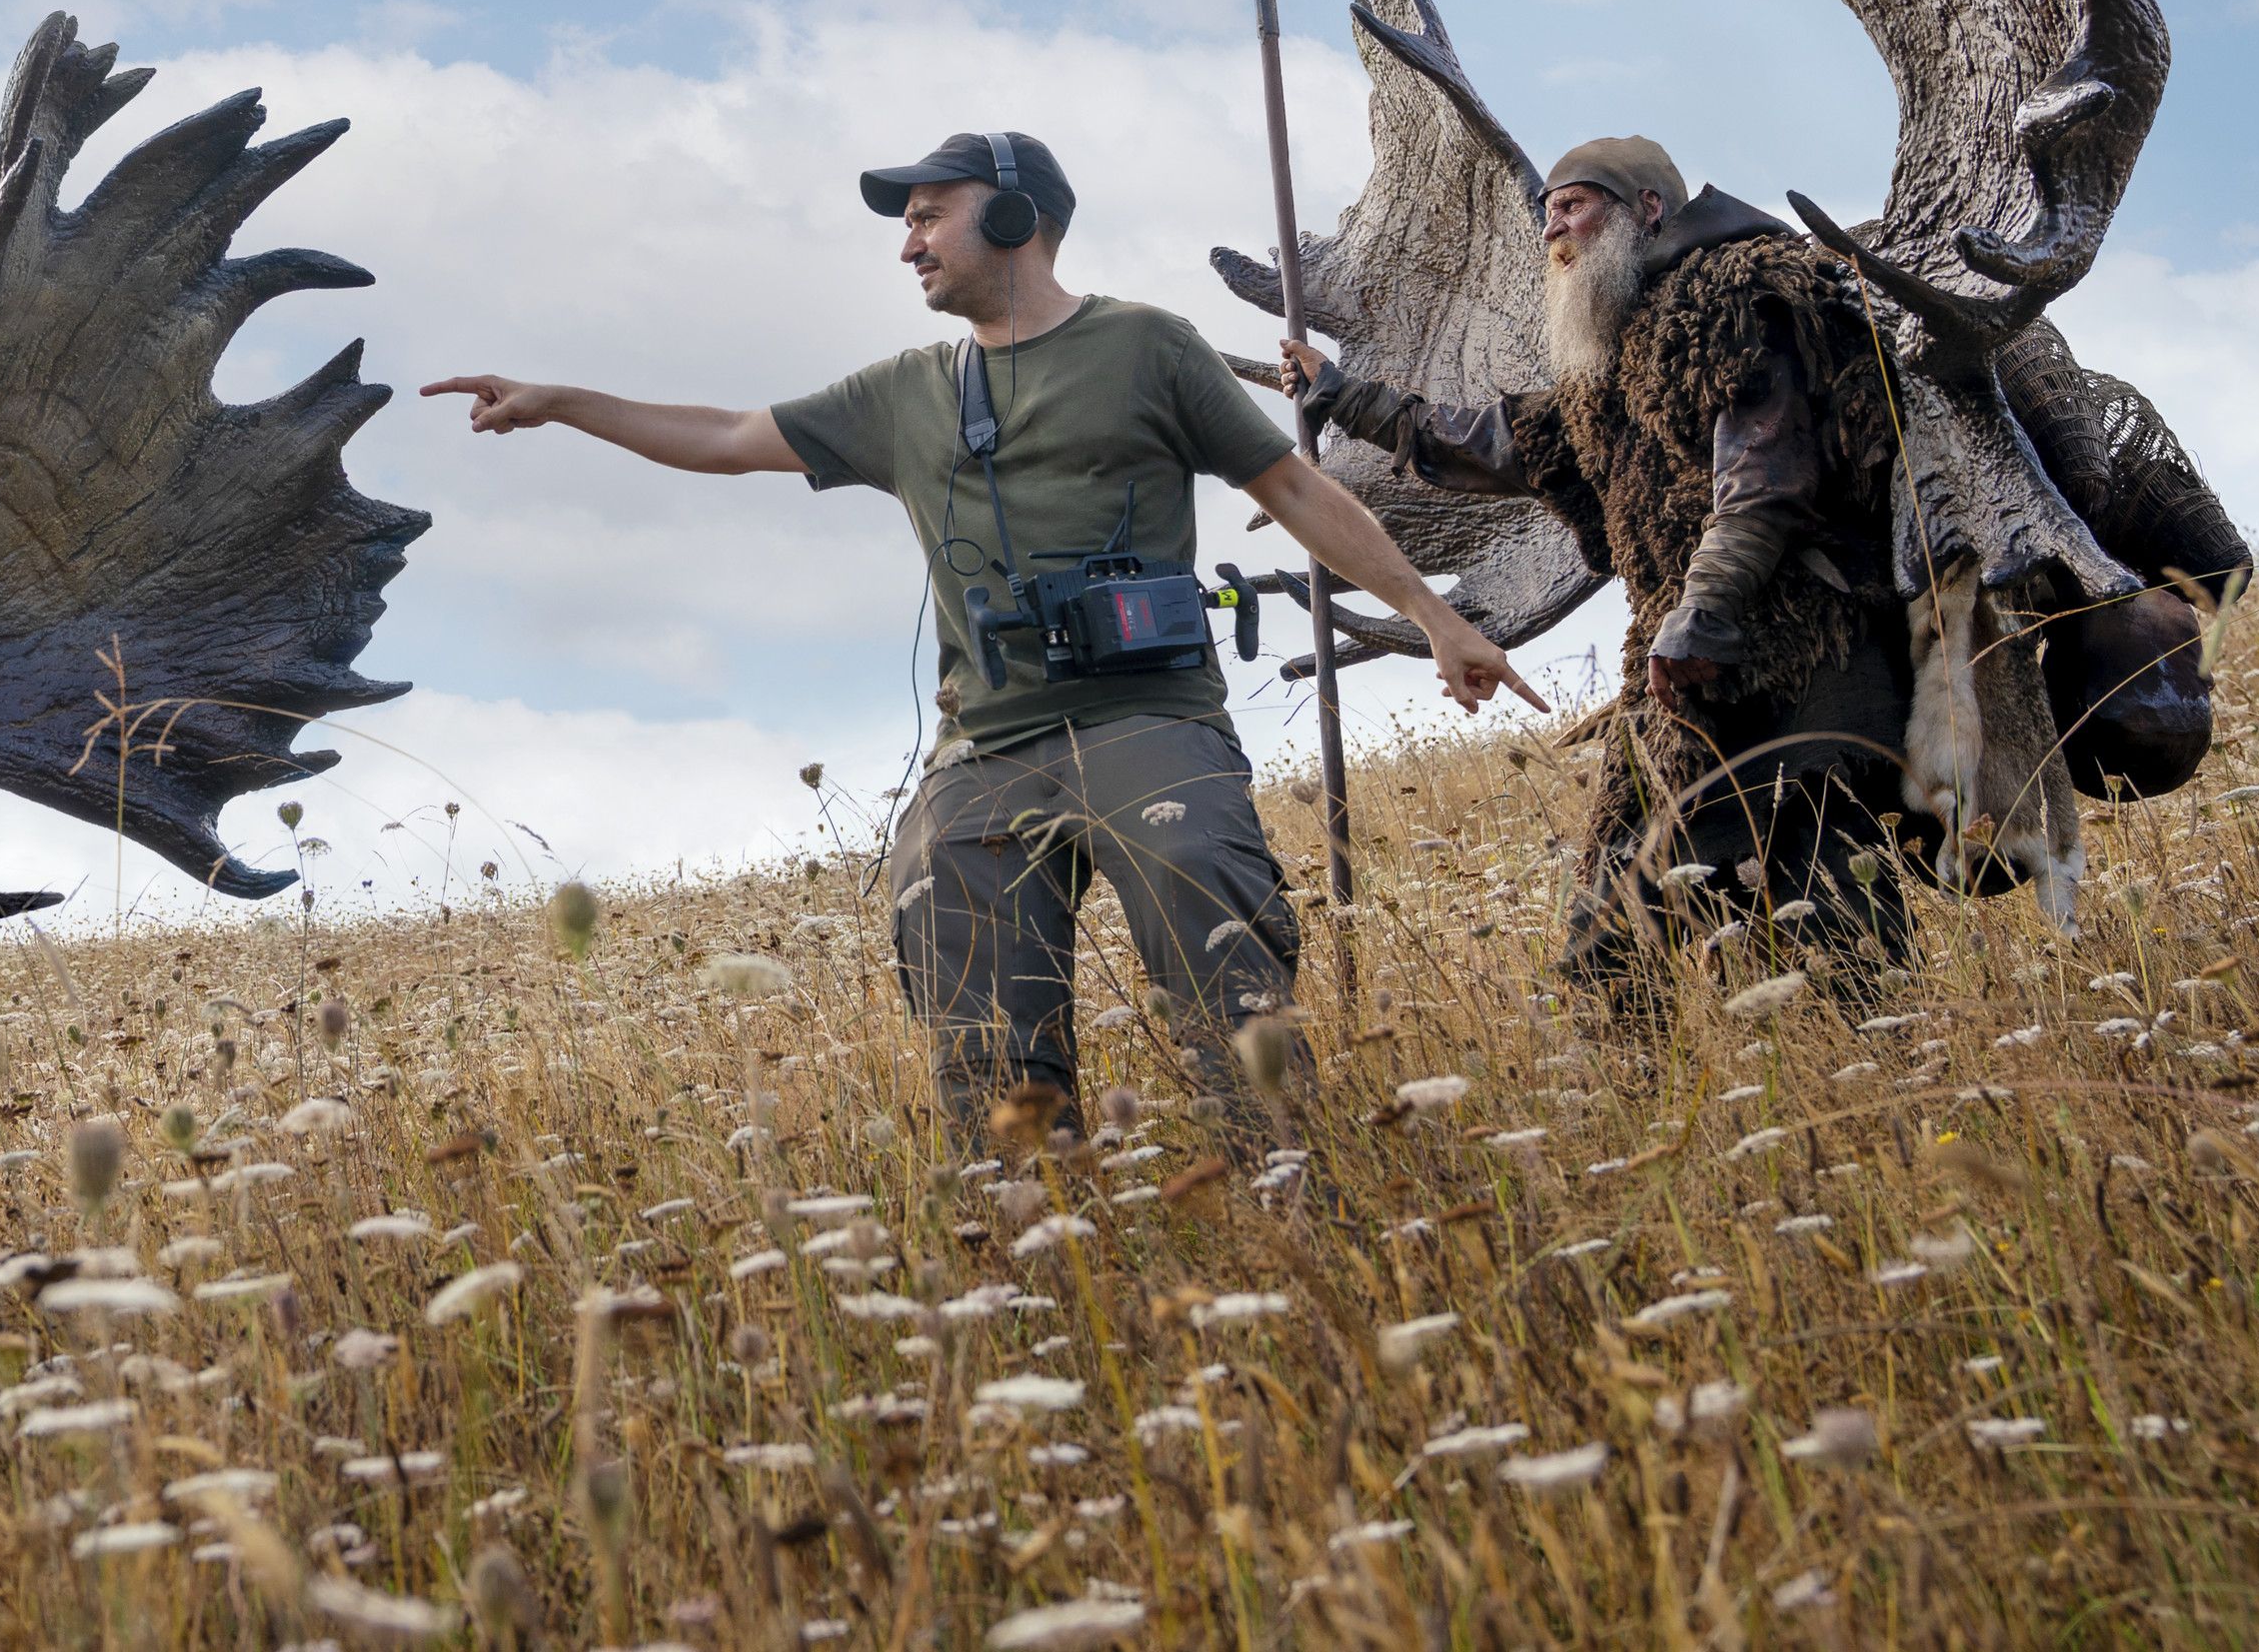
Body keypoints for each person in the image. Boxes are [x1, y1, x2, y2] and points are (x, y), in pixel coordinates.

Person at [426, 132, 1538, 1149]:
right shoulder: (902, 391)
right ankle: (1033, 1246)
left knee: (1222, 946)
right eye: (907, 223)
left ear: (1013, 219)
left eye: (926, 216)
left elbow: (1293, 486)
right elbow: (723, 436)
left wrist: (1436, 620)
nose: (907, 245)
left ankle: (1288, 1192)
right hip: (986, 751)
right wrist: (562, 400)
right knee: (974, 1023)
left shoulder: (1148, 346)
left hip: (1147, 722)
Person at [1283, 137, 1912, 1000]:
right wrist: (1345, 395)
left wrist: (1706, 613)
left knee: (1836, 919)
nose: (1554, 229)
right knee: (1612, 937)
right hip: (1684, 671)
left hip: (1809, 654)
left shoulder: (1738, 298)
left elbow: (1765, 482)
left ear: (1646, 209)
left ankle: (1883, 1108)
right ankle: (1636, 1100)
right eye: (1547, 213)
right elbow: (1492, 441)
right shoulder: (1611, 363)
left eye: (1572, 205)